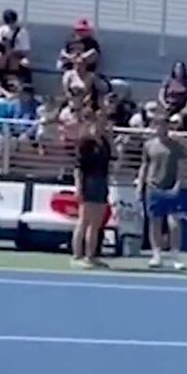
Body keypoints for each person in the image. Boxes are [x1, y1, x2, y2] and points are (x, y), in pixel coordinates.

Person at [137, 112, 187, 269]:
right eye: (158, 124)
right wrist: (140, 185)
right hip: (153, 187)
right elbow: (144, 166)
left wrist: (178, 184)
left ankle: (175, 255)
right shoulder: (149, 145)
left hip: (171, 188)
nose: (161, 128)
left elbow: (181, 168)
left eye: (164, 124)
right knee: (155, 222)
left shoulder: (177, 146)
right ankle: (156, 254)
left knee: (174, 223)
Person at [73, 111, 112, 269]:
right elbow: (78, 168)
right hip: (89, 182)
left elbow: (112, 160)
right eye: (99, 121)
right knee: (84, 221)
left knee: (96, 224)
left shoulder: (104, 142)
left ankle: (91, 256)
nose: (102, 125)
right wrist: (79, 187)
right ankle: (77, 255)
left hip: (102, 182)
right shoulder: (86, 142)